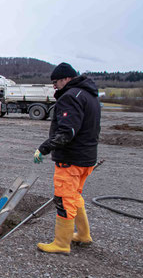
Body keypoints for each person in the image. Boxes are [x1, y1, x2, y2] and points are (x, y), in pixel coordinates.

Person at [34, 62, 101, 254]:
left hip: (71, 159)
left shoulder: (70, 97)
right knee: (75, 196)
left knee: (64, 198)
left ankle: (62, 243)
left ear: (67, 79)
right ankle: (83, 235)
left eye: (56, 82)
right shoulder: (90, 95)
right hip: (87, 158)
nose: (55, 86)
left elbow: (67, 132)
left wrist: (43, 148)